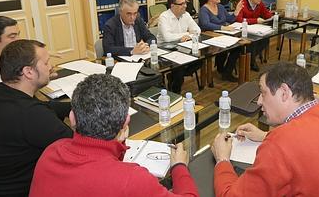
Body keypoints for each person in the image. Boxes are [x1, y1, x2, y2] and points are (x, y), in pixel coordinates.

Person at [211, 62, 319, 197]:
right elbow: (313, 142)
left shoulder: (281, 143)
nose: (259, 101)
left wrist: (222, 159)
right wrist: (266, 135)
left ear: (284, 92)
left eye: (263, 93)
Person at [29, 74, 198, 196]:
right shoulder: (132, 179)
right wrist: (179, 167)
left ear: (72, 118)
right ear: (126, 122)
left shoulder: (50, 152)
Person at [0, 39, 73, 196]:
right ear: (28, 72)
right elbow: (78, 147)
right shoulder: (29, 114)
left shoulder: (2, 91)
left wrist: (76, 106)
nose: (51, 67)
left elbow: (46, 108)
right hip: (23, 190)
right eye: (46, 63)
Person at [158, 0, 202, 93]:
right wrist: (187, 34)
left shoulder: (186, 15)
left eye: (185, 2)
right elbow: (167, 37)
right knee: (179, 67)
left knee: (200, 59)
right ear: (172, 6)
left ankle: (174, 76)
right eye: (182, 4)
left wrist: (188, 36)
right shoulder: (164, 17)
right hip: (165, 49)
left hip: (183, 46)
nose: (185, 6)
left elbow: (197, 30)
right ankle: (175, 90)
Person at [198, 0, 243, 82]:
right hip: (208, 38)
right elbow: (206, 24)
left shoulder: (221, 7)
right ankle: (220, 69)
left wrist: (237, 11)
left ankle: (226, 72)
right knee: (225, 48)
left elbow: (230, 19)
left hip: (222, 36)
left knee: (238, 47)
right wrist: (222, 27)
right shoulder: (203, 10)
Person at [235, 0, 273, 71]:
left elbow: (266, 14)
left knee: (266, 39)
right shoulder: (242, 3)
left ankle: (250, 59)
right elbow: (239, 19)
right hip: (243, 31)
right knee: (253, 42)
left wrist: (272, 16)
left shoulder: (259, 3)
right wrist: (255, 20)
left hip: (255, 29)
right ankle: (251, 62)